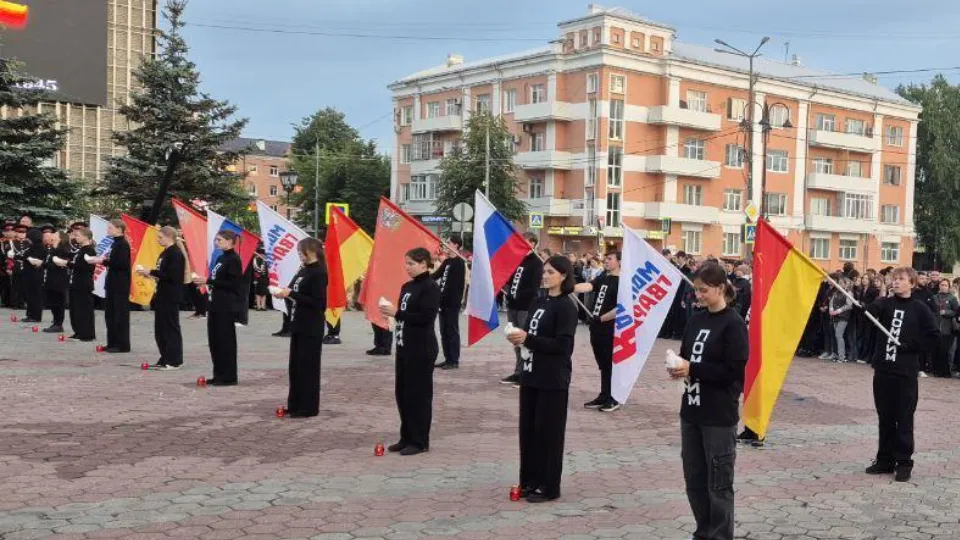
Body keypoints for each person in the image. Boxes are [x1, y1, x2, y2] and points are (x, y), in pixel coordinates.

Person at [667, 262, 748, 540]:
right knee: (695, 480)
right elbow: (687, 355)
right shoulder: (695, 320)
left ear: (720, 288)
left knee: (719, 483)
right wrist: (678, 368)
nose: (697, 296)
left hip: (718, 415)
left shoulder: (734, 324)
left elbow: (733, 373)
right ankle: (703, 531)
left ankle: (720, 535)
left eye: (703, 291)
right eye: (695, 290)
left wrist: (693, 369)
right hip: (691, 410)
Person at [507, 255, 578, 503]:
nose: (545, 276)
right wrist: (519, 337)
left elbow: (563, 345)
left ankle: (549, 487)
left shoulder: (566, 306)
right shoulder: (539, 301)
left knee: (548, 433)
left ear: (563, 276)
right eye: (544, 272)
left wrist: (528, 339)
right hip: (531, 373)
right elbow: (532, 335)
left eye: (550, 272)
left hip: (552, 378)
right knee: (528, 431)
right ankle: (529, 481)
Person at [864, 267, 939, 483]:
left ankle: (904, 462)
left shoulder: (920, 309)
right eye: (894, 279)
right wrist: (864, 308)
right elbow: (871, 311)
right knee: (885, 417)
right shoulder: (885, 303)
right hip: (883, 371)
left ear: (912, 283)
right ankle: (885, 460)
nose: (896, 282)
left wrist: (913, 347)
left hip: (905, 373)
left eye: (901, 279)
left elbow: (933, 337)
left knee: (904, 418)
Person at [379, 247, 441, 456]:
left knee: (419, 395)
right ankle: (406, 436)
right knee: (403, 394)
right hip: (404, 346)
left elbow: (425, 318)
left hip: (421, 348)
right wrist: (392, 316)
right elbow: (403, 315)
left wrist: (398, 313)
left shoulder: (430, 287)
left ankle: (419, 440)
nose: (407, 267)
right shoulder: (407, 286)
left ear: (424, 264)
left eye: (411, 263)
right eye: (406, 263)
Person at [273, 238, 328, 418]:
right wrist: (284, 293)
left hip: (311, 325)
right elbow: (294, 291)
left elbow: (318, 302)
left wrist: (293, 294)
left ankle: (308, 407)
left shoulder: (319, 272)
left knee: (308, 367)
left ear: (311, 252)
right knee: (295, 367)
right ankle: (295, 404)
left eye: (300, 252)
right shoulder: (303, 270)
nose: (299, 256)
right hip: (298, 323)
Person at [193, 230, 243, 386]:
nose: (217, 242)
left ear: (230, 242)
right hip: (215, 303)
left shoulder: (234, 259)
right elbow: (216, 279)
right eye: (216, 240)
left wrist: (209, 281)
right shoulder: (221, 258)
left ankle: (228, 376)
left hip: (226, 305)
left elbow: (233, 284)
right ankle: (218, 373)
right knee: (214, 340)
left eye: (220, 240)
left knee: (225, 340)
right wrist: (206, 282)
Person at [574, 251, 621, 412]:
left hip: (610, 328)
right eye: (605, 258)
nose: (605, 261)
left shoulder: (623, 281)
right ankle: (604, 394)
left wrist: (601, 318)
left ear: (619, 262)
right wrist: (569, 287)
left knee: (610, 363)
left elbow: (621, 308)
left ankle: (614, 398)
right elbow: (589, 286)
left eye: (610, 259)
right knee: (602, 363)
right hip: (597, 327)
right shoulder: (603, 277)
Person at [139, 227, 189, 370]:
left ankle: (174, 360)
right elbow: (163, 274)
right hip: (162, 293)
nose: (158, 239)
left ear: (169, 237)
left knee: (170, 327)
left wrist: (152, 271)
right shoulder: (165, 253)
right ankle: (165, 356)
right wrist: (150, 274)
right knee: (160, 329)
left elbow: (173, 276)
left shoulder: (175, 254)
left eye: (160, 237)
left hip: (171, 295)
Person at [501, 233, 544, 387]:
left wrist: (518, 296)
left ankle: (527, 373)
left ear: (532, 243)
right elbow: (510, 279)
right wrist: (508, 291)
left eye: (524, 242)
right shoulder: (518, 260)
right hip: (513, 305)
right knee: (515, 340)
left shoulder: (536, 262)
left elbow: (533, 287)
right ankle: (518, 371)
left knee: (525, 340)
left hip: (525, 307)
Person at [94, 220, 131, 353]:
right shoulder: (114, 243)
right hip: (112, 282)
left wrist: (102, 261)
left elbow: (121, 264)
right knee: (110, 314)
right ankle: (112, 342)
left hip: (120, 284)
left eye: (110, 228)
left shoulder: (123, 244)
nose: (108, 230)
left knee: (119, 315)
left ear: (119, 229)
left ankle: (122, 344)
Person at [433, 236, 466, 370]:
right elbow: (436, 275)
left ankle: (454, 360)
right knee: (443, 331)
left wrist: (454, 302)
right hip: (442, 303)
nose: (446, 245)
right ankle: (447, 358)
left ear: (456, 245)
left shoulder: (459, 262)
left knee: (452, 331)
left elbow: (457, 286)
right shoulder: (447, 262)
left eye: (449, 243)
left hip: (451, 303)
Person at [60, 227, 97, 341]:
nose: (76, 238)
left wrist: (67, 263)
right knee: (75, 309)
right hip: (75, 283)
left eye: (78, 235)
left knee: (84, 310)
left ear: (86, 237)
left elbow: (86, 267)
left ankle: (87, 333)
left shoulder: (89, 250)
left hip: (83, 284)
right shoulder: (81, 249)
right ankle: (78, 331)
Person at [39, 227, 70, 333]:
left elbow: (58, 265)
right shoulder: (53, 249)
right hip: (51, 279)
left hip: (59, 280)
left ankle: (58, 324)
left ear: (60, 238)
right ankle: (55, 322)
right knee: (53, 302)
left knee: (58, 303)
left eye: (55, 234)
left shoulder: (62, 250)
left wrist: (41, 264)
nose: (52, 235)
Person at [930, 278, 957, 378]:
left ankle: (946, 371)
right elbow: (930, 310)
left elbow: (956, 311)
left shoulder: (952, 298)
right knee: (936, 350)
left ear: (949, 287)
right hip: (936, 327)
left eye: (945, 285)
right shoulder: (934, 297)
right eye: (942, 285)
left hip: (948, 328)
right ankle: (936, 371)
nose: (943, 287)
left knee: (945, 350)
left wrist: (946, 312)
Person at [828, 278, 854, 363]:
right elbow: (831, 302)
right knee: (837, 335)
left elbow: (849, 305)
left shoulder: (848, 293)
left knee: (839, 335)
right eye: (839, 283)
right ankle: (838, 354)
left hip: (843, 317)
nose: (839, 284)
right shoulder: (836, 292)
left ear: (846, 284)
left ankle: (842, 357)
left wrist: (838, 311)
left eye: (841, 283)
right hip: (835, 317)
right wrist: (831, 310)